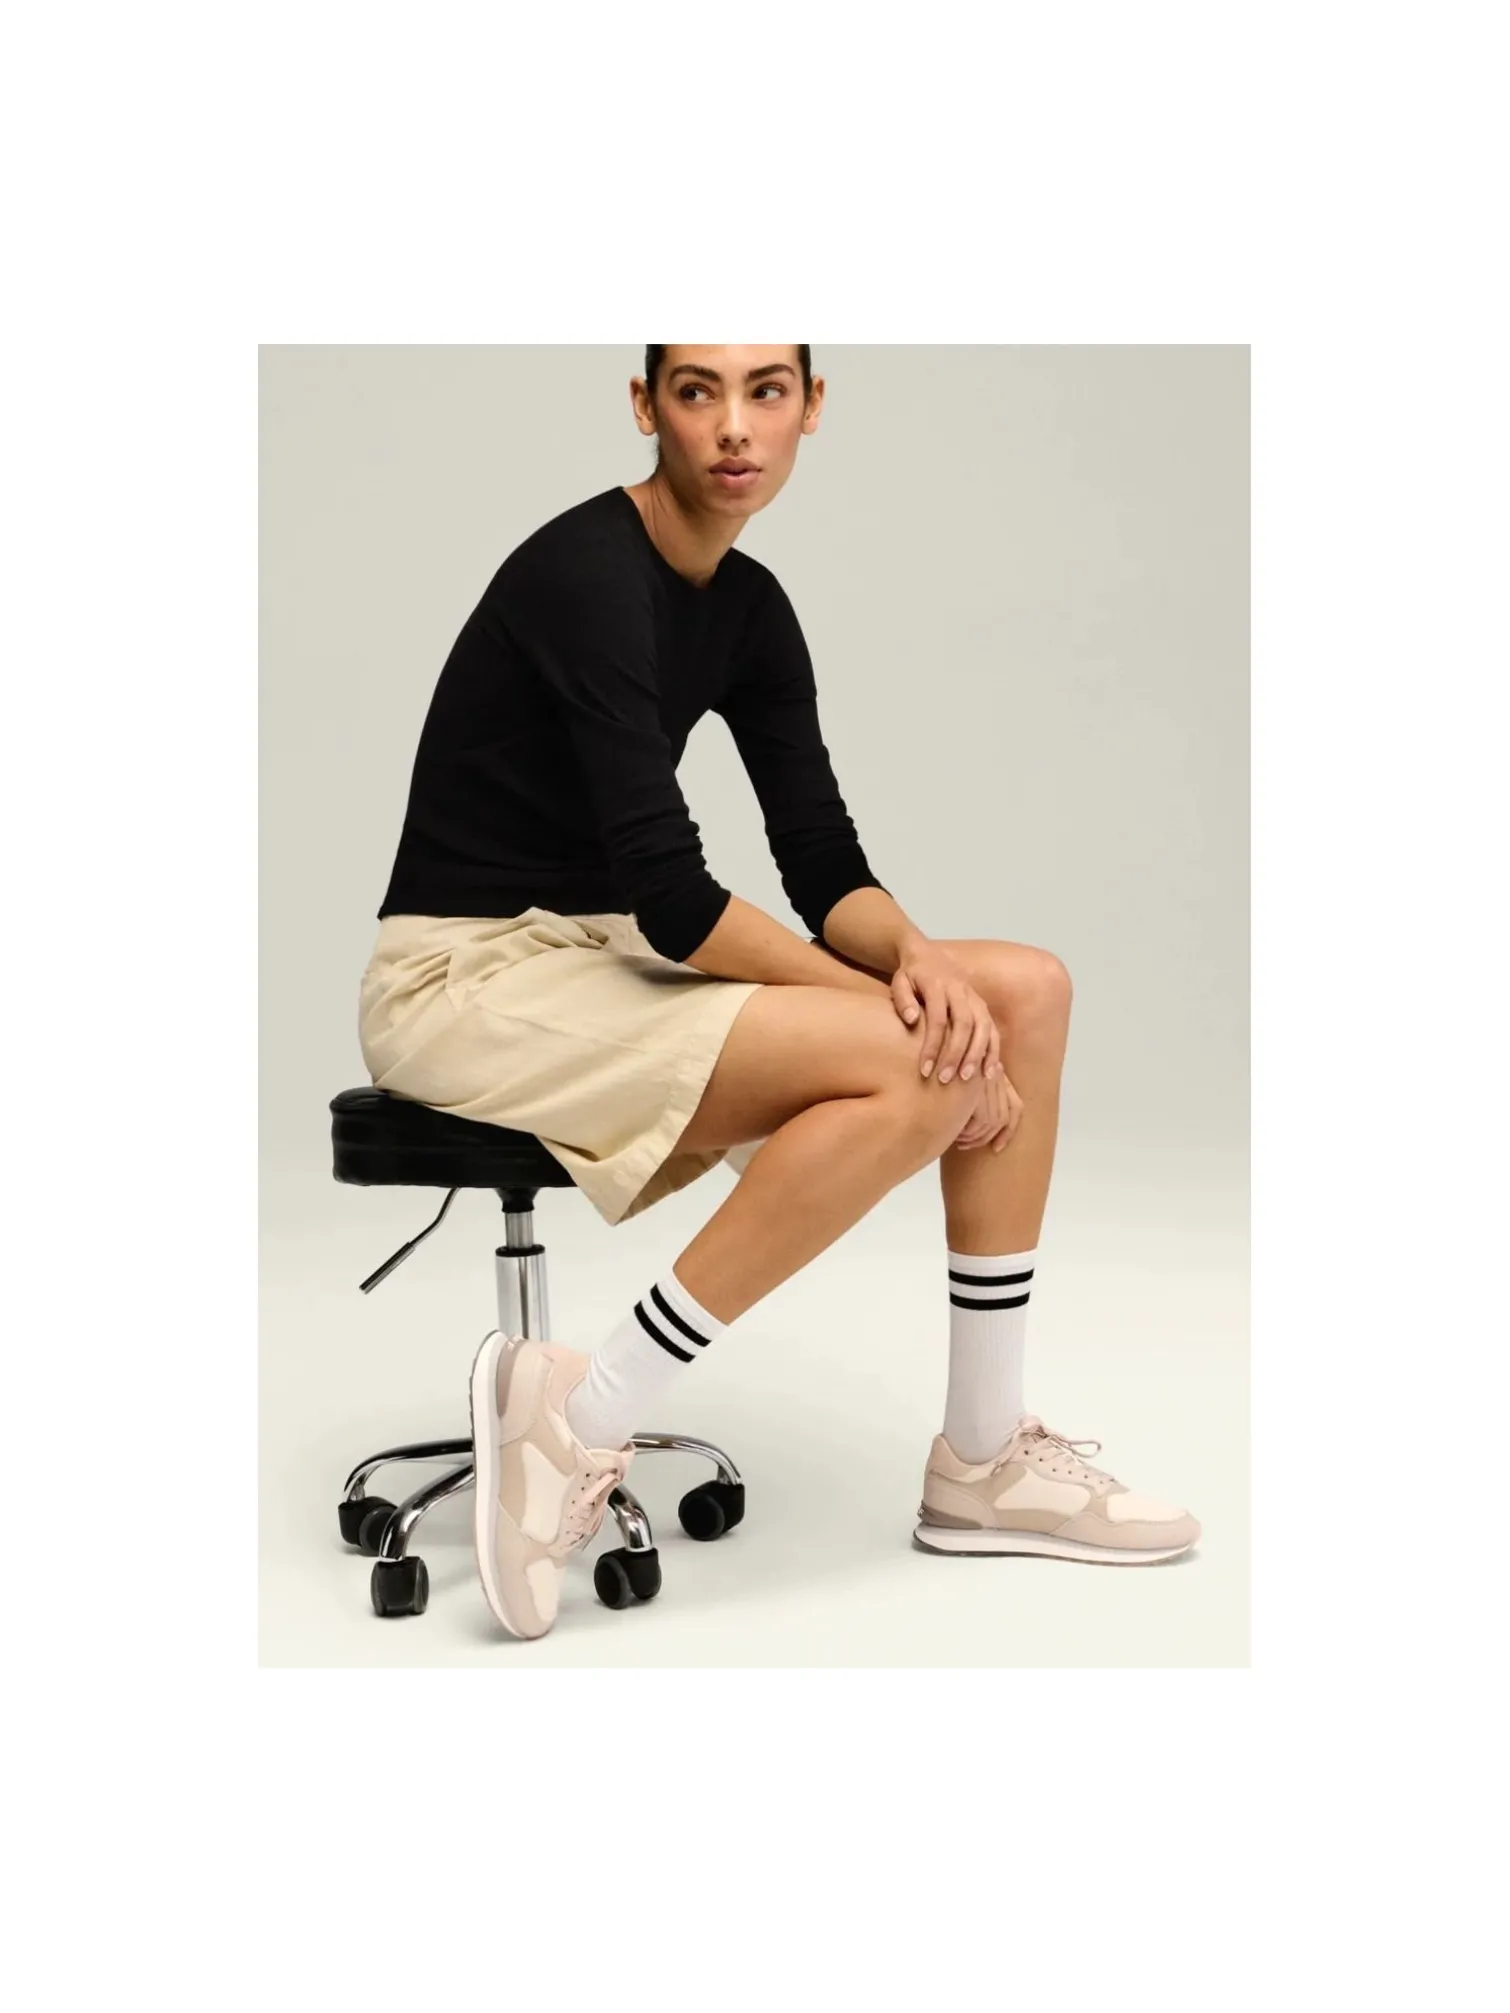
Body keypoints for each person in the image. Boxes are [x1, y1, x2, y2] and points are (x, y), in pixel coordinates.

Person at [358, 344, 1200, 1641]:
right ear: (645, 407)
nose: (735, 428)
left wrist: (917, 962)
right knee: (920, 1058)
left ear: (812, 406)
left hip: (593, 956)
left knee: (1022, 991)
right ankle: (584, 1414)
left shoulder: (749, 608)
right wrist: (901, 1019)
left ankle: (981, 1460)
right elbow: (675, 899)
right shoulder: (585, 574)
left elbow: (821, 863)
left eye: (766, 390)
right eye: (697, 391)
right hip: (462, 977)